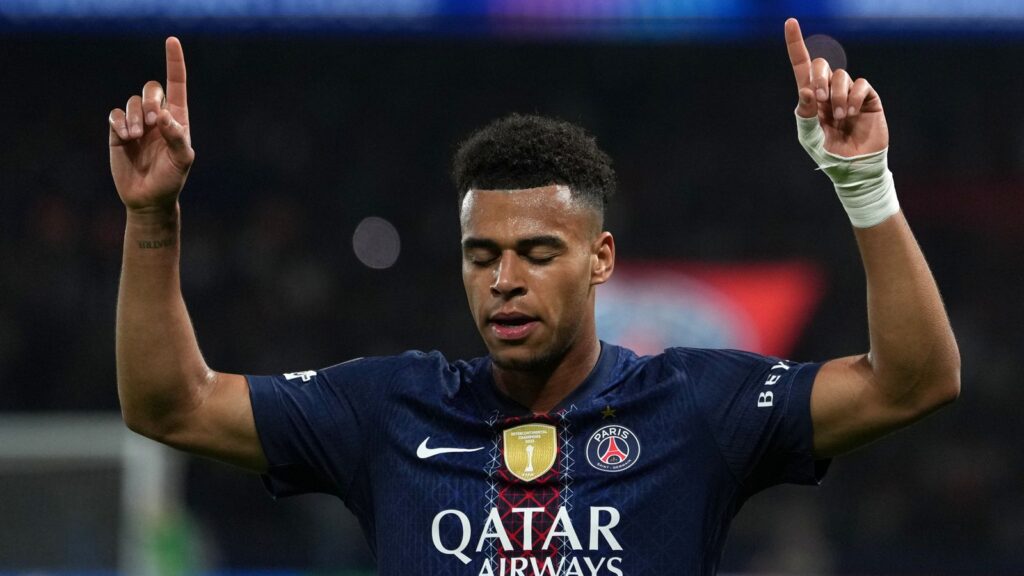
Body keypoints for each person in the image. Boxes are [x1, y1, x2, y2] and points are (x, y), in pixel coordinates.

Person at [108, 18, 960, 575]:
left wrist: (865, 186)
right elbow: (169, 406)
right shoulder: (387, 409)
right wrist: (151, 218)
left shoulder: (695, 404)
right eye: (481, 255)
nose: (504, 279)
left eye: (537, 253)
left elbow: (914, 382)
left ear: (600, 259)